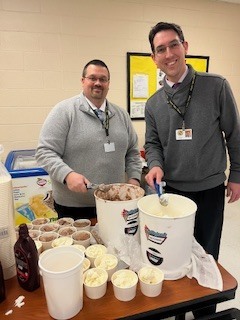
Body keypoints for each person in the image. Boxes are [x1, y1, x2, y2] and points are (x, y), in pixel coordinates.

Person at [144, 22, 240, 318]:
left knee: (207, 255)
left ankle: (203, 313)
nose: (169, 53)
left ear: (185, 47)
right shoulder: (153, 103)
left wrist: (236, 174)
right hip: (171, 195)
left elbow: (234, 134)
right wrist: (156, 164)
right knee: (174, 256)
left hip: (209, 190)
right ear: (154, 58)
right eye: (161, 49)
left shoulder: (216, 85)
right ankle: (176, 307)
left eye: (174, 45)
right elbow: (152, 143)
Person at [36, 59, 142, 220]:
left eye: (103, 79)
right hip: (74, 207)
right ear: (83, 81)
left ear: (108, 83)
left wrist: (134, 180)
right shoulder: (64, 111)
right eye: (92, 78)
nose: (98, 83)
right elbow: (44, 152)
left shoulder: (121, 115)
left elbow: (133, 152)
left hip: (115, 203)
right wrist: (67, 175)